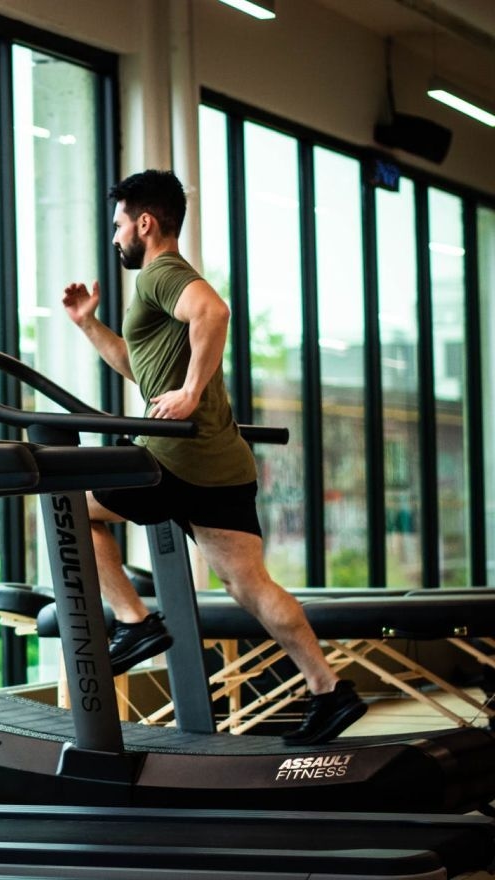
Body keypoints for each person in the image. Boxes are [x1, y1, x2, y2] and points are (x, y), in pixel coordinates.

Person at [61, 169, 366, 746]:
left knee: (69, 505)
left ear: (144, 223)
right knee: (250, 585)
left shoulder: (163, 274)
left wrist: (192, 393)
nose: (115, 237)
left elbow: (215, 313)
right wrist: (89, 325)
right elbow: (140, 367)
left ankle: (134, 623)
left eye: (119, 224)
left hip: (174, 457)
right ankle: (329, 690)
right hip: (222, 462)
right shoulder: (162, 285)